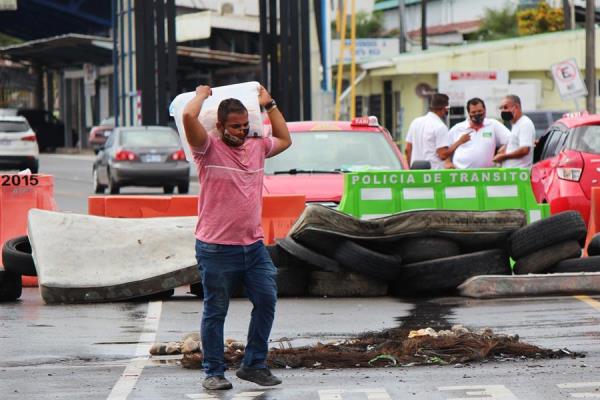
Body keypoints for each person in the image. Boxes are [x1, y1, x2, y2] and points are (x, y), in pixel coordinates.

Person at [182, 84, 292, 391]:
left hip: (253, 246)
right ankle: (213, 372)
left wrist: (269, 105)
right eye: (234, 126)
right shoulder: (206, 148)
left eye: (245, 126)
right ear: (219, 125)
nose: (241, 131)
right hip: (215, 248)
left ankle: (254, 364)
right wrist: (203, 93)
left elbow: (285, 138)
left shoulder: (257, 146)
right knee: (216, 309)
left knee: (267, 300)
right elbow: (189, 115)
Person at [445, 97, 510, 169]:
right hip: (461, 174)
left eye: (479, 111)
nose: (477, 114)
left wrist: (503, 150)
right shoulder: (458, 128)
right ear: (469, 113)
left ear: (485, 110)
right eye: (473, 112)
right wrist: (447, 162)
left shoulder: (493, 125)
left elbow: (511, 140)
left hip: (486, 174)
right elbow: (445, 148)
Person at [405, 93, 464, 169]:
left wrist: (411, 168)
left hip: (416, 172)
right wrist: (460, 141)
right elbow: (442, 155)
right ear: (445, 108)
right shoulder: (440, 127)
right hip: (433, 174)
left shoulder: (415, 122)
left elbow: (407, 149)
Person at [492, 94, 536, 168]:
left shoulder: (525, 124)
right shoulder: (516, 124)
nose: (503, 111)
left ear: (516, 107)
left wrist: (503, 156)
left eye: (505, 107)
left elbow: (524, 150)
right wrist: (506, 148)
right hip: (513, 174)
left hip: (519, 174)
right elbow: (516, 144)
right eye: (501, 108)